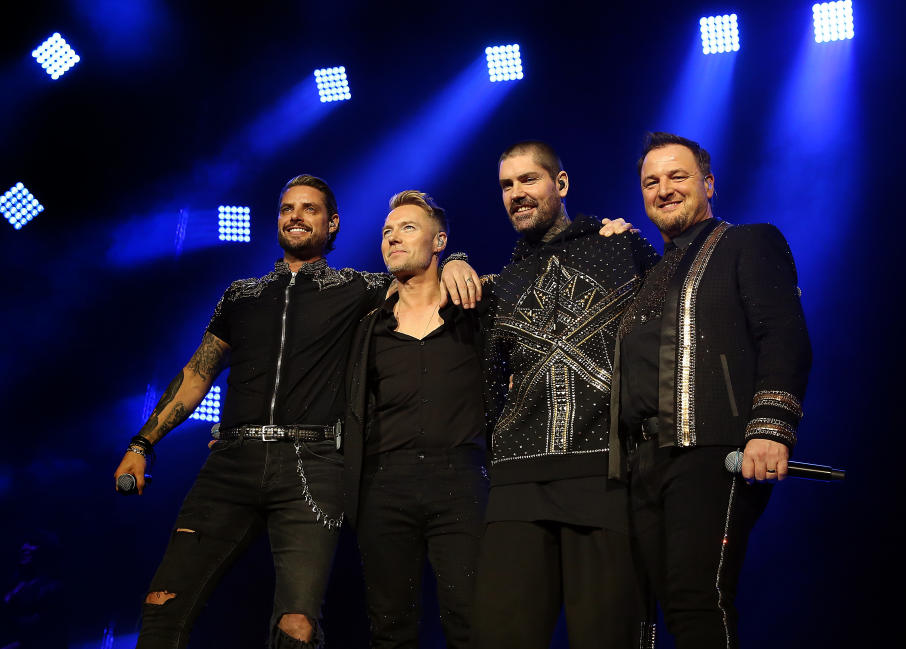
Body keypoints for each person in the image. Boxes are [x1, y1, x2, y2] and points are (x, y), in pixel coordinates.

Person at [111, 174, 480, 649]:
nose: (296, 216)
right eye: (287, 208)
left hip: (314, 465)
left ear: (333, 224)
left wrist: (458, 262)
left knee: (298, 626)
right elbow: (198, 372)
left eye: (309, 209)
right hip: (231, 463)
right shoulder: (241, 295)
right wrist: (143, 443)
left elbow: (425, 281)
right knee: (163, 602)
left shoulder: (361, 290)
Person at [611, 132, 813, 648]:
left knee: (697, 597)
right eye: (650, 182)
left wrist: (771, 430)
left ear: (708, 183)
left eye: (677, 176)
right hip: (644, 461)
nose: (664, 189)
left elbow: (784, 335)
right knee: (650, 611)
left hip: (713, 448)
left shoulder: (748, 241)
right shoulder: (648, 274)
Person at [470, 141, 660, 649]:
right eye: (507, 186)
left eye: (529, 180)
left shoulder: (622, 248)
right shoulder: (502, 283)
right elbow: (488, 381)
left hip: (604, 475)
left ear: (563, 184)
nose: (517, 194)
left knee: (608, 634)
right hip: (517, 482)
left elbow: (666, 344)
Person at [343, 190, 491, 649]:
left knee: (470, 619)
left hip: (461, 480)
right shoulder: (369, 324)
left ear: (439, 240)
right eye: (386, 232)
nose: (392, 238)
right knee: (390, 625)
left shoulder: (476, 308)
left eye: (407, 228)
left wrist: (461, 262)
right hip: (384, 483)